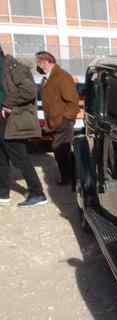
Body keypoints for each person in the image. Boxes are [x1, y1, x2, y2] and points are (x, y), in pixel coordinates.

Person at [0, 46, 47, 207]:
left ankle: (38, 193)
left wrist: (7, 104)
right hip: (3, 122)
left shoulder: (12, 67)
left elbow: (29, 90)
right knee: (1, 158)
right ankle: (3, 193)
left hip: (12, 121)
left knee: (20, 158)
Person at [35, 51, 79, 185]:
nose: (38, 66)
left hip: (63, 122)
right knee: (61, 151)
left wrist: (65, 119)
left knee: (61, 150)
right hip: (55, 122)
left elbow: (72, 100)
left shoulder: (61, 77)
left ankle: (69, 179)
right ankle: (69, 178)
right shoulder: (48, 78)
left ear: (46, 62)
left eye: (39, 63)